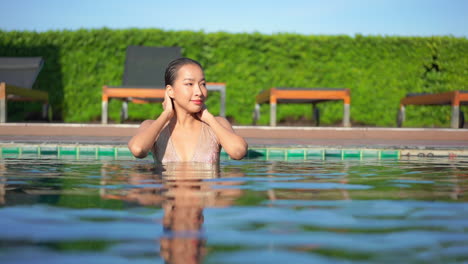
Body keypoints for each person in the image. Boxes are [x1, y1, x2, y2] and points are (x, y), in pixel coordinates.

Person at [128, 57, 247, 163]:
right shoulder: (152, 126)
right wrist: (166, 115)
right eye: (189, 84)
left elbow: (238, 152)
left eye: (203, 84)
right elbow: (138, 150)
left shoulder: (217, 124)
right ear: (170, 91)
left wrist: (209, 119)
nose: (199, 92)